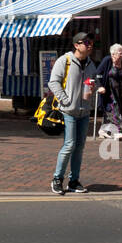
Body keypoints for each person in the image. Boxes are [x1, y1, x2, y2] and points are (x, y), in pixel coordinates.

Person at [49, 32, 98, 195]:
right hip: (69, 111)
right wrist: (65, 100)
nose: (89, 45)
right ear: (77, 45)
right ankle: (57, 179)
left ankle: (74, 181)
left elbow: (94, 82)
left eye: (91, 42)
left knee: (79, 147)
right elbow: (53, 82)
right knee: (69, 144)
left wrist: (93, 89)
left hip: (84, 111)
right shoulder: (65, 61)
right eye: (86, 42)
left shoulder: (91, 63)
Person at [95, 43, 122, 139]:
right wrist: (100, 86)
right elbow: (97, 74)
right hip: (108, 92)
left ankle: (103, 131)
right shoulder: (107, 61)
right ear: (113, 54)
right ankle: (118, 132)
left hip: (119, 93)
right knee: (114, 110)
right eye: (120, 53)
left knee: (113, 111)